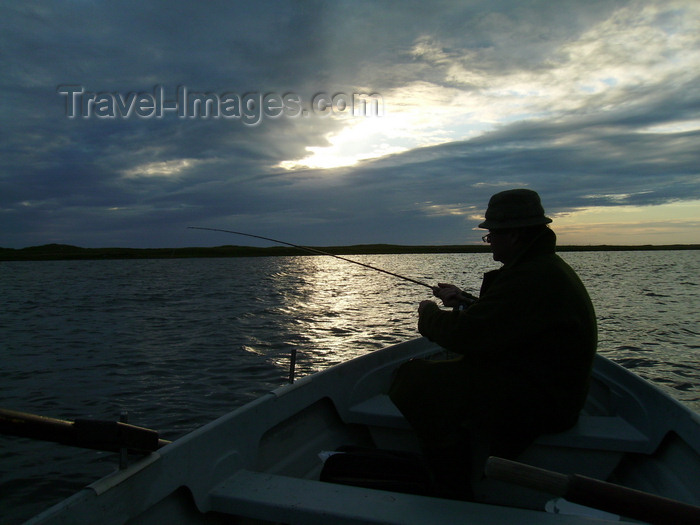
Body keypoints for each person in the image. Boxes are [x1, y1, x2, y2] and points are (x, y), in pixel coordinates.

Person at [388, 188, 597, 499]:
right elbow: (505, 321)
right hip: (545, 387)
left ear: (512, 235)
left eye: (491, 236)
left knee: (413, 380)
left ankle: (452, 487)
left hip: (543, 403)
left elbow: (468, 336)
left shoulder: (532, 277)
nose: (488, 242)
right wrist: (462, 302)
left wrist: (428, 313)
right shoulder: (541, 269)